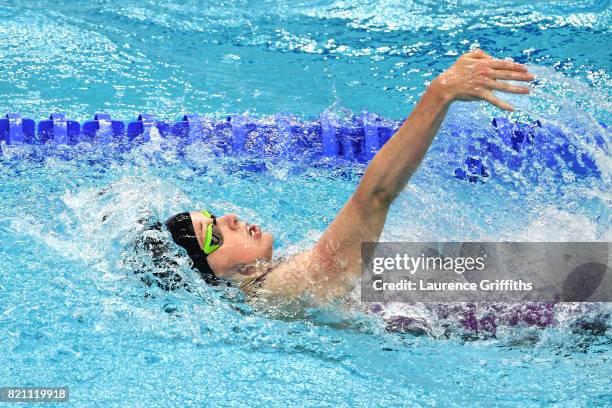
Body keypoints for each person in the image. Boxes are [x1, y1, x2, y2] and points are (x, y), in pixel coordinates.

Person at [161, 49, 535, 303]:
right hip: (508, 321)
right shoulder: (278, 291)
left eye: (214, 218)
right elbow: (375, 198)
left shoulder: (276, 280)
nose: (228, 218)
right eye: (213, 234)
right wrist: (440, 93)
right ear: (207, 275)